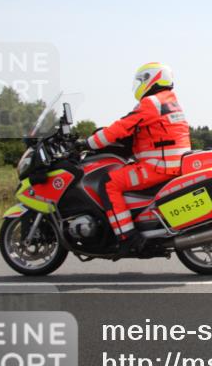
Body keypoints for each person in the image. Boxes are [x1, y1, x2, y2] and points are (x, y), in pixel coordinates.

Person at [79, 62, 191, 256]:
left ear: (151, 79)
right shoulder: (170, 101)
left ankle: (127, 236)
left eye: (141, 80)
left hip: (157, 167)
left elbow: (122, 127)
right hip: (171, 163)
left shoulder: (151, 102)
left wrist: (89, 143)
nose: (139, 84)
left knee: (108, 183)